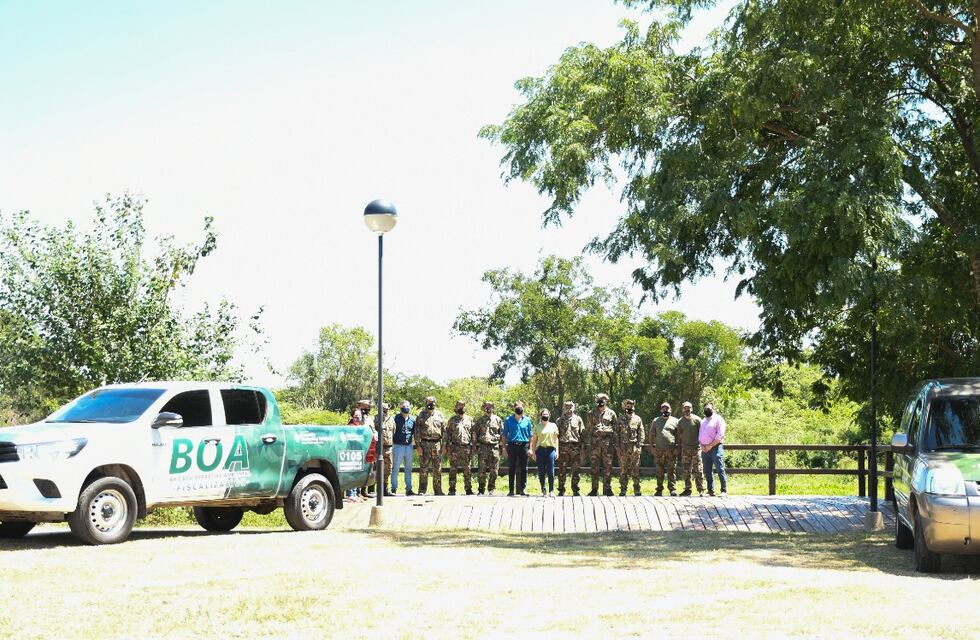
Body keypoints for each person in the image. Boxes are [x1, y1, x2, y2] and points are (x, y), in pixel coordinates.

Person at [586, 393, 617, 496]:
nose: (601, 402)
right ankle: (594, 489)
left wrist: (614, 443)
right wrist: (589, 442)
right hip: (595, 445)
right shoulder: (591, 413)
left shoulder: (611, 413)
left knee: (608, 467)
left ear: (606, 402)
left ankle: (607, 489)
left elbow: (615, 429)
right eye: (599, 400)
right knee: (594, 468)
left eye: (603, 401)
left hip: (607, 445)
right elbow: (589, 428)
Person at [415, 396, 446, 496]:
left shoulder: (440, 415)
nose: (430, 403)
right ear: (425, 403)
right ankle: (422, 490)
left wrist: (444, 445)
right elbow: (417, 431)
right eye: (428, 402)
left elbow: (444, 431)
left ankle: (438, 490)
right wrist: (418, 446)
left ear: (435, 403)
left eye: (432, 402)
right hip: (424, 444)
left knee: (437, 468)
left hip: (437, 444)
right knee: (424, 468)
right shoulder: (421, 415)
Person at [501, 401, 533, 496]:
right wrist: (504, 448)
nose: (519, 408)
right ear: (514, 409)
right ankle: (511, 490)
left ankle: (523, 489)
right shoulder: (508, 420)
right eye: (517, 407)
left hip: (524, 445)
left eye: (521, 407)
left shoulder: (527, 420)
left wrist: (531, 448)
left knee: (524, 468)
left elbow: (531, 436)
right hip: (512, 445)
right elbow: (504, 435)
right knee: (511, 468)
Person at [648, 402, 679, 496]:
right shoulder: (656, 421)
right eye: (663, 408)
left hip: (671, 450)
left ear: (670, 410)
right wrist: (652, 447)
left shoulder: (676, 421)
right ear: (661, 410)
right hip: (659, 450)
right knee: (659, 470)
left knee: (671, 470)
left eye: (667, 408)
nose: (665, 410)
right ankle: (659, 489)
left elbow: (679, 436)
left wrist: (678, 448)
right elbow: (651, 434)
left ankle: (672, 489)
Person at [473, 401, 503, 495]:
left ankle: (491, 489)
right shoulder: (480, 420)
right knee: (481, 470)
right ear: (484, 408)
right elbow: (474, 433)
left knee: (494, 470)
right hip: (483, 447)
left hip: (494, 447)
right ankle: (481, 489)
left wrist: (501, 446)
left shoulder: (498, 420)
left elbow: (502, 433)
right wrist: (474, 445)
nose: (488, 408)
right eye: (486, 406)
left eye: (490, 406)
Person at [445, 400, 475, 495]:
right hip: (454, 447)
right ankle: (452, 489)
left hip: (466, 447)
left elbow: (473, 433)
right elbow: (447, 434)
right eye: (459, 406)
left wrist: (474, 446)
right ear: (456, 407)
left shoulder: (470, 420)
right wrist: (446, 446)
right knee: (453, 469)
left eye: (462, 406)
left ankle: (468, 489)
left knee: (467, 469)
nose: (461, 407)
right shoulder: (452, 420)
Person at [675, 401, 706, 496]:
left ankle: (701, 490)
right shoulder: (680, 421)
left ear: (692, 409)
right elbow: (679, 436)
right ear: (682, 409)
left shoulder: (697, 420)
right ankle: (688, 490)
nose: (687, 409)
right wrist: (679, 448)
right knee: (686, 470)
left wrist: (702, 445)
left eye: (689, 408)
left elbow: (702, 434)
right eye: (685, 408)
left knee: (698, 470)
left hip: (696, 448)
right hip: (685, 449)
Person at [555, 401, 585, 496]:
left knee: (576, 470)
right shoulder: (559, 420)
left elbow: (582, 434)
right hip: (563, 447)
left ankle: (575, 489)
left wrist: (583, 448)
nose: (569, 409)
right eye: (567, 407)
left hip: (575, 447)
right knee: (561, 469)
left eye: (571, 406)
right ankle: (561, 489)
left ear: (574, 408)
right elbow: (556, 436)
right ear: (564, 408)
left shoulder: (578, 419)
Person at [615, 399, 644, 496]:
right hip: (623, 448)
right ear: (625, 407)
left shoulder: (638, 419)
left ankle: (637, 489)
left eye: (631, 406)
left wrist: (639, 446)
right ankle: (623, 489)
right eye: (628, 406)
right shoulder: (620, 419)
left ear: (634, 407)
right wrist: (617, 448)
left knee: (635, 468)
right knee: (623, 469)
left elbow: (641, 433)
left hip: (634, 447)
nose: (629, 408)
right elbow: (616, 434)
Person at [699, 402, 728, 497]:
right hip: (704, 448)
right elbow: (700, 434)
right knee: (707, 470)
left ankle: (724, 490)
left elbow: (720, 435)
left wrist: (710, 445)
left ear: (713, 409)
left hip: (715, 447)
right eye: (706, 409)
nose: (707, 410)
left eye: (709, 409)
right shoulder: (703, 421)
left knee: (720, 469)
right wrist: (702, 445)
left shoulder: (718, 419)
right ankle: (710, 491)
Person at [530, 409, 559, 497]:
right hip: (540, 450)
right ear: (541, 415)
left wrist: (557, 451)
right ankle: (543, 489)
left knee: (551, 471)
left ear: (549, 415)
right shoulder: (537, 426)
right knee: (541, 471)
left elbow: (556, 439)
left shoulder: (553, 425)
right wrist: (533, 452)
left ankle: (551, 490)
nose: (545, 415)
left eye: (547, 414)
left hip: (550, 450)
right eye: (544, 414)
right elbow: (534, 441)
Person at [391, 400, 416, 496]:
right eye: (404, 406)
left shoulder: (412, 419)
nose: (406, 407)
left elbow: (414, 433)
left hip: (409, 447)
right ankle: (393, 488)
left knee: (409, 468)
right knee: (396, 468)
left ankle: (409, 489)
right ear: (400, 407)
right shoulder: (395, 418)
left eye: (407, 406)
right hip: (397, 446)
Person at [375, 403, 396, 497]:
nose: (385, 410)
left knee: (388, 469)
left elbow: (393, 431)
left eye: (387, 409)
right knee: (377, 469)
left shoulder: (391, 419)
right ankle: (377, 490)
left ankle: (385, 489)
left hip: (389, 448)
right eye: (383, 409)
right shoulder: (375, 418)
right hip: (378, 448)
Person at [346, 408, 364, 503]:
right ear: (352, 417)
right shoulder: (349, 428)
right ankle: (350, 495)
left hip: (359, 452)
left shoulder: (361, 427)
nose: (358, 418)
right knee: (351, 474)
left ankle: (356, 493)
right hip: (350, 452)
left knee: (357, 474)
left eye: (359, 416)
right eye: (356, 416)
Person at [357, 400, 375, 498]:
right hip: (359, 446)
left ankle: (364, 491)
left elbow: (372, 429)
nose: (367, 408)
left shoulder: (370, 418)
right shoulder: (356, 416)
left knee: (368, 469)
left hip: (369, 446)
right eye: (365, 406)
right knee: (359, 469)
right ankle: (357, 492)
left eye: (368, 407)